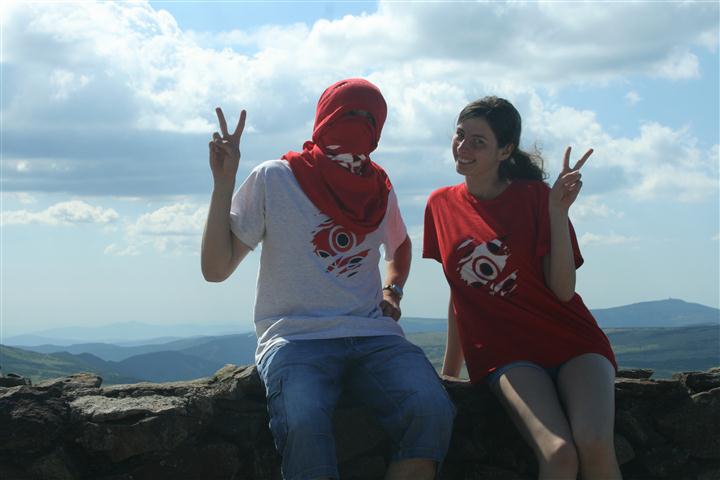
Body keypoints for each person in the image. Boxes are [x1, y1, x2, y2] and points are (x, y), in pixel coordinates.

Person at [201, 78, 455, 480]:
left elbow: (401, 245)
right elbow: (216, 269)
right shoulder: (275, 178)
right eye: (347, 112)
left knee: (432, 410)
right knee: (302, 423)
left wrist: (393, 290)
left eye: (368, 117)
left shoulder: (378, 188)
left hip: (372, 334)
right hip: (295, 337)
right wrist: (224, 183)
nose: (357, 124)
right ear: (324, 117)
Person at [423, 96, 621, 480]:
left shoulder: (537, 198)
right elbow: (460, 293)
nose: (463, 147)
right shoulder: (440, 205)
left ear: (505, 150)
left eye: (478, 141)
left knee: (595, 442)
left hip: (574, 340)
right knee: (559, 452)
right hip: (506, 353)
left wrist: (558, 212)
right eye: (460, 136)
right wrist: (450, 373)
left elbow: (563, 291)